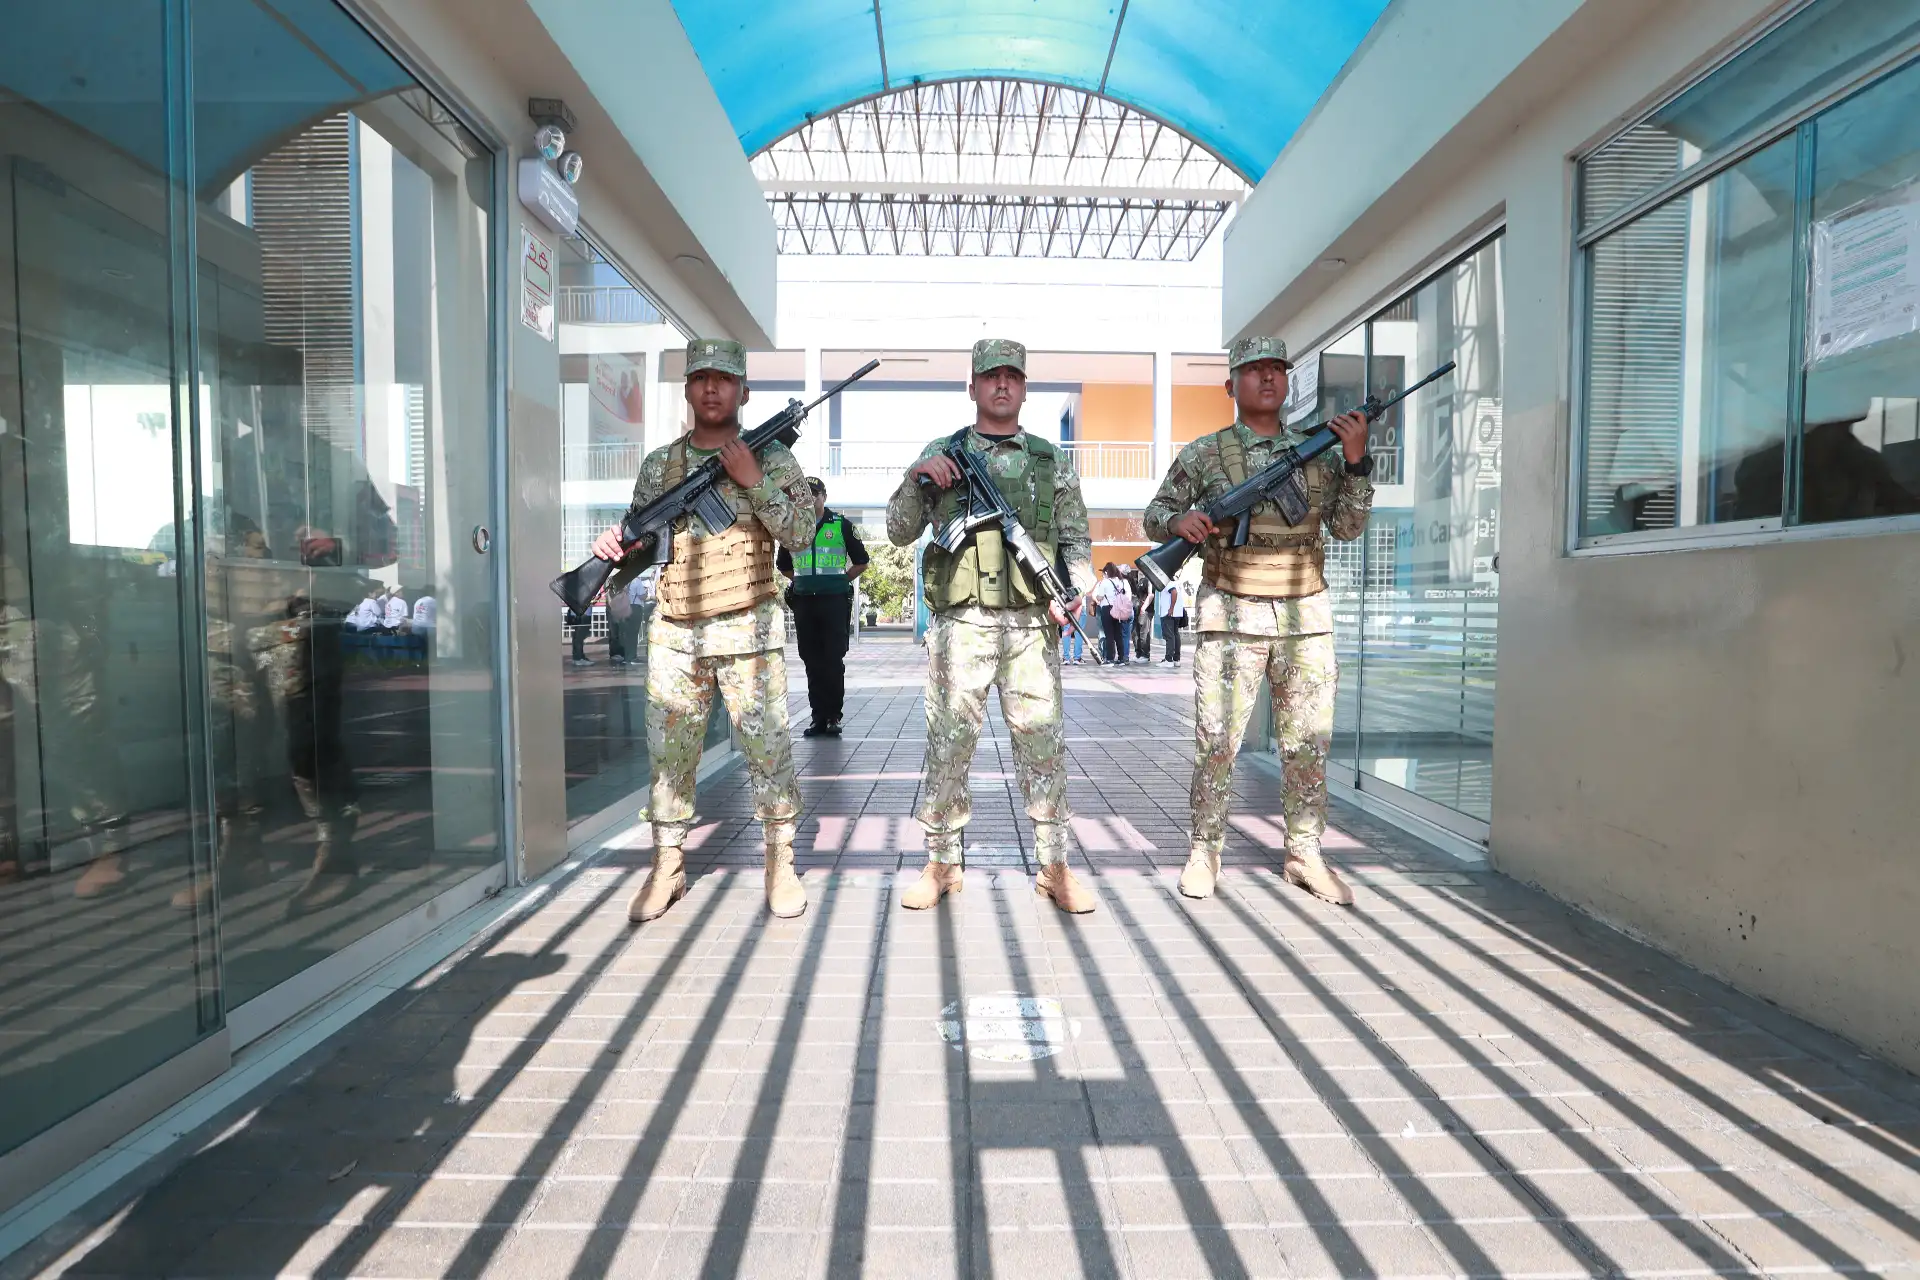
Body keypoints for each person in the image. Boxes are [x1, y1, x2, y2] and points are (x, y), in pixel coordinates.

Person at [1143, 335, 1375, 905]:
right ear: (1232, 386)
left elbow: (1346, 527)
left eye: (1277, 369)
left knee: (1307, 743)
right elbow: (1154, 516)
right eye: (1254, 371)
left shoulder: (1322, 450)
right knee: (1216, 741)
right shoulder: (1204, 454)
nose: (1267, 379)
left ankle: (1305, 853)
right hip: (1231, 612)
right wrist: (1181, 523)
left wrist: (1357, 460)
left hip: (1305, 616)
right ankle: (1205, 849)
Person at [590, 338, 815, 923]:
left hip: (750, 627)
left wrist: (753, 479)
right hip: (675, 631)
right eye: (701, 378)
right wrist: (614, 549)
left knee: (769, 749)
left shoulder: (776, 460)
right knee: (670, 753)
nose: (712, 387)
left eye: (724, 378)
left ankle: (780, 859)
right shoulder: (661, 464)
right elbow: (642, 544)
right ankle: (668, 864)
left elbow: (800, 537)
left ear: (744, 390)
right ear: (688, 389)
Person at [888, 338, 1098, 915]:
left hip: (1033, 623)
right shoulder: (943, 451)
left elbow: (1077, 537)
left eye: (1012, 376)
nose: (1002, 385)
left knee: (1042, 744)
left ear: (1025, 387)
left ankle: (1055, 867)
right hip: (963, 626)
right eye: (990, 376)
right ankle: (942, 865)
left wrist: (1077, 587)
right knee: (949, 743)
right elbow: (899, 531)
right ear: (973, 386)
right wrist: (917, 479)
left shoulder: (1050, 461)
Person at [777, 477, 870, 737]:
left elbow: (861, 561)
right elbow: (783, 565)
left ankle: (833, 717)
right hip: (805, 602)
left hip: (834, 602)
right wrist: (804, 581)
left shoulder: (840, 525)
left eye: (815, 494)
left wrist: (839, 580)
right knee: (811, 660)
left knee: (832, 660)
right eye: (805, 495)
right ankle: (817, 717)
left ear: (824, 497)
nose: (810, 499)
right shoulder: (791, 528)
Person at [1092, 564, 1131, 665]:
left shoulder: (1105, 582)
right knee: (1118, 634)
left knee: (1109, 635)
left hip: (1107, 609)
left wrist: (1098, 597)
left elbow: (1100, 597)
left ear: (1106, 572)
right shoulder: (1120, 581)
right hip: (1118, 609)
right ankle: (1121, 658)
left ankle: (1110, 659)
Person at [1157, 576, 1188, 664]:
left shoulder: (1168, 583)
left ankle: (1168, 659)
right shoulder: (1177, 583)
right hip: (1177, 613)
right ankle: (1176, 659)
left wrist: (1171, 608)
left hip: (1169, 613)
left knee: (1169, 636)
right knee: (1175, 635)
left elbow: (1173, 592)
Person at [1129, 566, 1153, 661]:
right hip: (1138, 610)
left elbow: (1151, 594)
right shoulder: (1140, 581)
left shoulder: (1149, 580)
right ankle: (1138, 653)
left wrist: (1144, 607)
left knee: (1144, 633)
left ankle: (1145, 655)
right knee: (1136, 633)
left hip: (1146, 610)